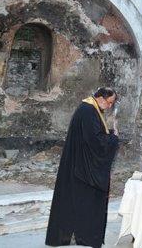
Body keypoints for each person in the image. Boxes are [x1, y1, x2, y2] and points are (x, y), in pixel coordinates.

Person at [46, 87, 119, 248]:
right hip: (82, 169)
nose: (109, 107)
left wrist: (109, 135)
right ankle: (83, 237)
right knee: (83, 202)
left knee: (78, 202)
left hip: (79, 165)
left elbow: (93, 135)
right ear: (100, 98)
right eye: (109, 103)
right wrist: (113, 139)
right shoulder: (88, 112)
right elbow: (94, 142)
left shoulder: (89, 109)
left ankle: (80, 236)